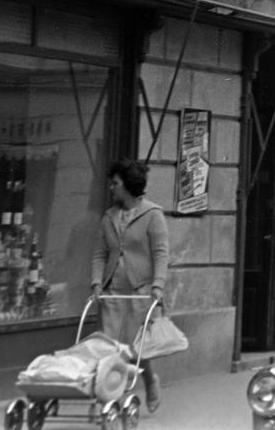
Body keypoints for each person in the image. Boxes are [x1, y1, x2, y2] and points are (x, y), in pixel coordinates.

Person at [91, 158, 170, 413]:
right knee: (110, 345)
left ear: (128, 185)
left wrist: (158, 285)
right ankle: (112, 395)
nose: (111, 188)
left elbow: (161, 253)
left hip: (140, 292)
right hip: (113, 290)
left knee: (137, 347)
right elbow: (100, 254)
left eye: (115, 183)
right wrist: (96, 282)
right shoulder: (108, 217)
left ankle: (149, 380)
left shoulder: (152, 215)